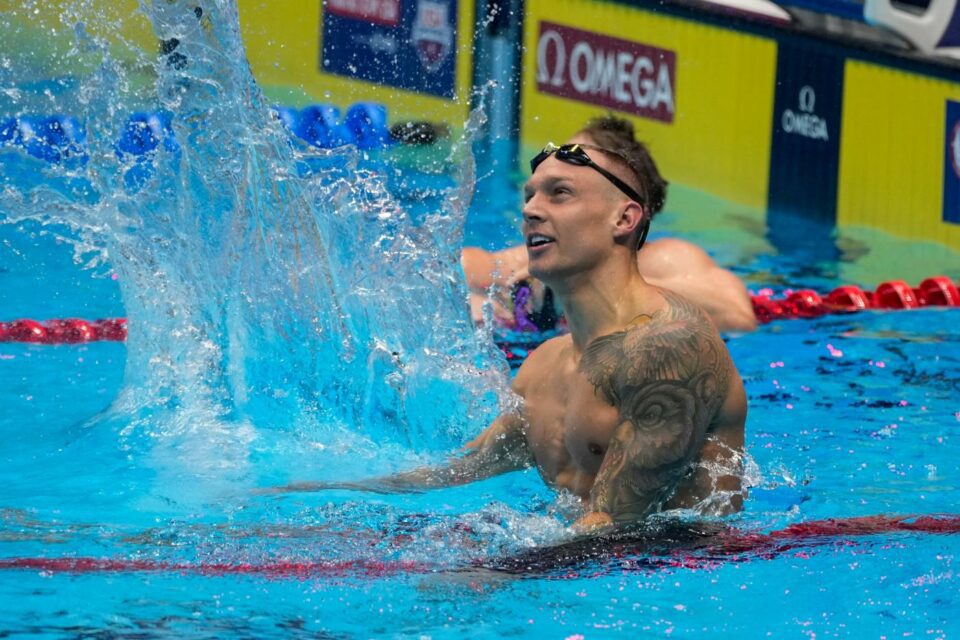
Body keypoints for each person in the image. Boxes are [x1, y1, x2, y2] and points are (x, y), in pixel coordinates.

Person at [269, 121, 748, 531]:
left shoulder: (669, 345)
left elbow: (615, 531)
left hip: (671, 592)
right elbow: (456, 471)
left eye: (559, 193)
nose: (531, 209)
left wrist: (482, 572)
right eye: (530, 195)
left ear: (624, 217)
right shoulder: (543, 367)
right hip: (576, 578)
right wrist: (304, 499)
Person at [462, 118, 758, 333]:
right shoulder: (555, 257)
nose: (531, 209)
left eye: (563, 188)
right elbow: (460, 268)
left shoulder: (664, 257)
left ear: (623, 213)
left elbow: (737, 316)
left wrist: (593, 284)